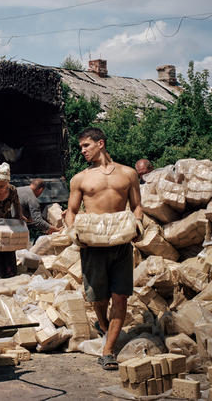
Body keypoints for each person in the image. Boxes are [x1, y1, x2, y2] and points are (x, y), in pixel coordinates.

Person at [66, 127, 142, 371]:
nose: (83, 151)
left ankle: (108, 351)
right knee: (99, 298)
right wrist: (73, 233)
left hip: (121, 243)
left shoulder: (129, 174)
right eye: (81, 147)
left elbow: (137, 205)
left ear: (100, 143)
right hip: (93, 244)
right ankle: (104, 324)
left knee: (120, 296)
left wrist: (138, 224)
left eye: (86, 145)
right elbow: (72, 211)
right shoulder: (80, 178)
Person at [17, 178, 55, 242]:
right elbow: (38, 222)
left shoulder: (19, 189)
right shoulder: (32, 199)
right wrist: (55, 229)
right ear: (40, 189)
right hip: (14, 226)